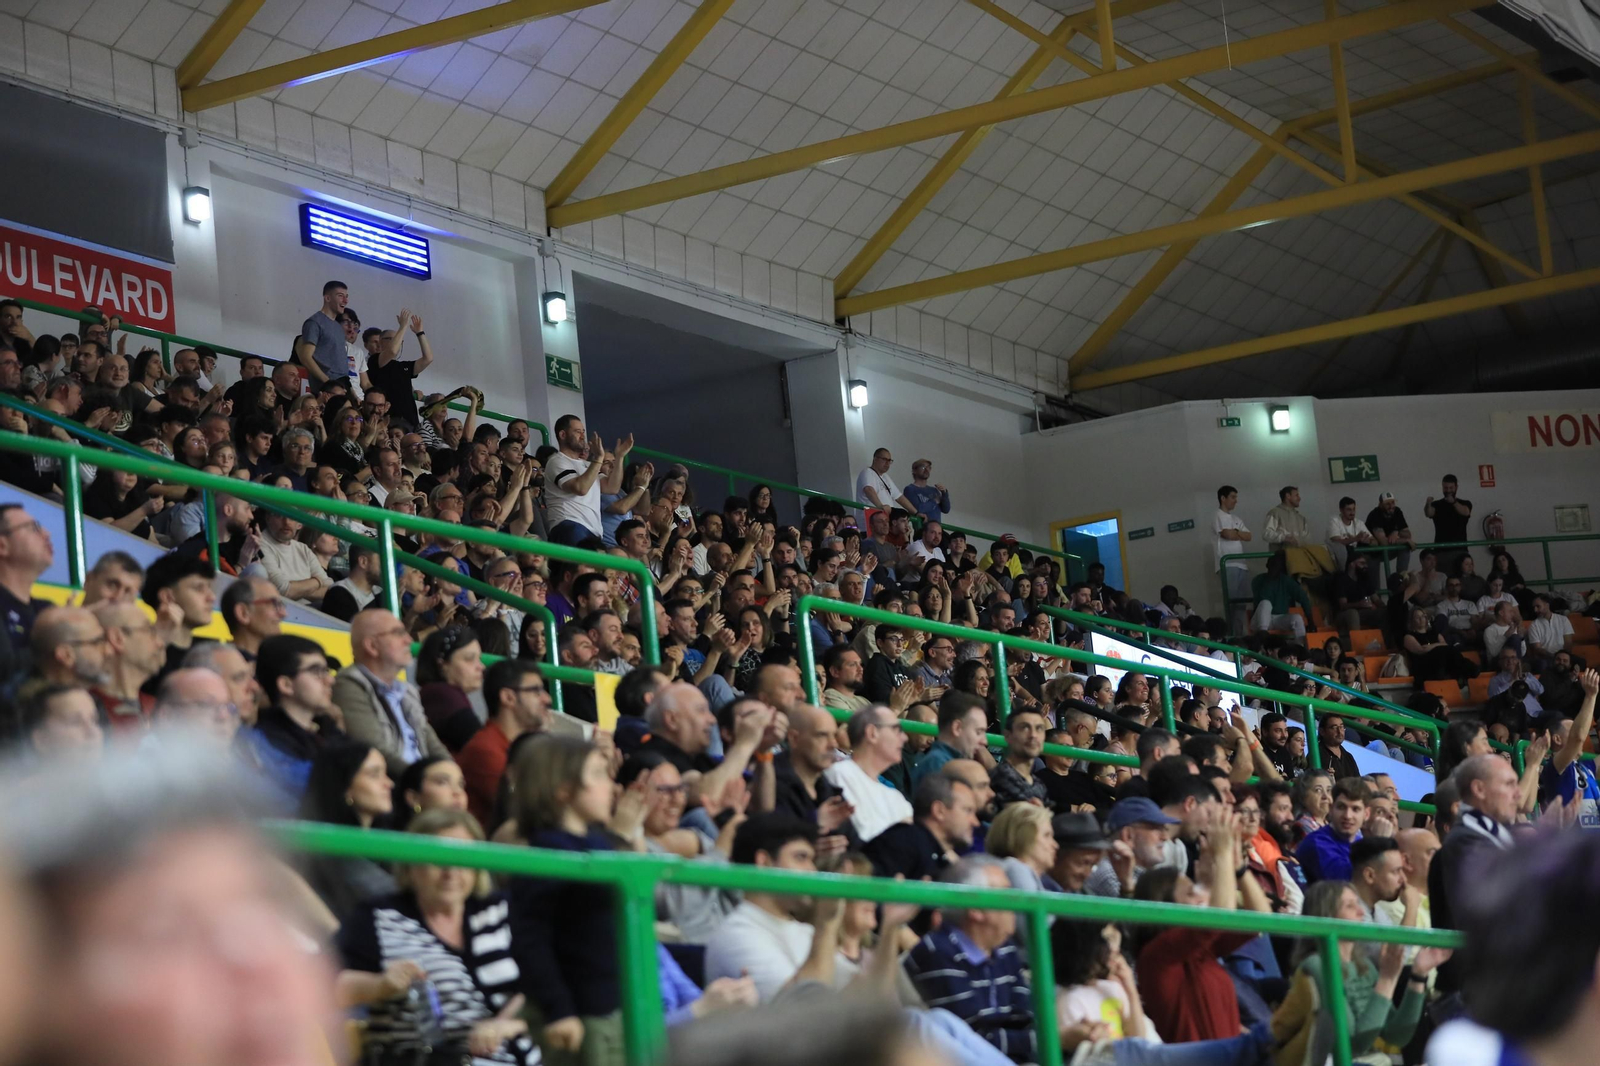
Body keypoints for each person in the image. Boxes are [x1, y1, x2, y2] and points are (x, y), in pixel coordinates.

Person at [336, 808, 537, 1065]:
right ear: (411, 866)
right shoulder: (380, 916)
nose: (450, 872)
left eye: (462, 859)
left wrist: (505, 1024)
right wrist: (379, 986)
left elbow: (544, 986)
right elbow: (325, 984)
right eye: (438, 858)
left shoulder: (500, 910)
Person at [507, 735, 633, 1064]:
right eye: (597, 774)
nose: (611, 785)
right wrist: (558, 1010)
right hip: (581, 1014)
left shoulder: (597, 843)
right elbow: (530, 939)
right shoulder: (547, 853)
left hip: (616, 1004)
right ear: (563, 790)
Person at [1289, 881, 1447, 1063]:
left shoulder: (1363, 966)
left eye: (1358, 903)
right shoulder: (1316, 965)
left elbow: (1396, 1036)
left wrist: (1419, 974)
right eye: (1350, 906)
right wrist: (1387, 979)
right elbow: (1353, 1045)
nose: (1361, 912)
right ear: (1327, 914)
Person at [901, 855, 1035, 1063]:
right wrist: (1054, 1040)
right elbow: (971, 1040)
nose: (1015, 903)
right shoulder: (937, 951)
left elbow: (1023, 1019)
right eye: (1006, 893)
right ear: (976, 909)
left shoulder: (1006, 950)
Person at [1430, 753, 1521, 994]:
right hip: (1475, 994)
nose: (1518, 793)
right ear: (1479, 789)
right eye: (1509, 784)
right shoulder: (1465, 843)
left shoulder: (1488, 837)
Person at [334, 608, 450, 776]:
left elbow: (433, 745)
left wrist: (452, 777)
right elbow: (375, 751)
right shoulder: (348, 686)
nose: (409, 640)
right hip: (394, 789)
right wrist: (426, 781)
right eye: (398, 633)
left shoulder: (407, 691)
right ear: (372, 646)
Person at [298, 740, 400, 916]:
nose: (389, 783)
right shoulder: (330, 852)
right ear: (346, 788)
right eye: (375, 774)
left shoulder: (389, 845)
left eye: (386, 773)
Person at [245, 634, 343, 806]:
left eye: (326, 671)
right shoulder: (263, 744)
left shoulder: (329, 732)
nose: (330, 680)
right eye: (316, 672)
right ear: (286, 685)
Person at [458, 659, 552, 829]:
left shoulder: (518, 746)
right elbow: (531, 809)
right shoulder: (485, 750)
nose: (547, 699)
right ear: (508, 697)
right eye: (536, 691)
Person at [773, 703, 860, 852]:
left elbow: (854, 848)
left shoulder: (832, 792)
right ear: (794, 738)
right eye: (822, 735)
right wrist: (813, 826)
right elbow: (767, 841)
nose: (833, 744)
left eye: (833, 735)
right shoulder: (770, 781)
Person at [824, 705, 913, 843]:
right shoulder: (838, 774)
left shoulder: (897, 798)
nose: (904, 737)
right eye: (897, 730)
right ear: (872, 733)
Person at [863, 773, 977, 881]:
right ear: (939, 811)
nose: (975, 822)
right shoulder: (901, 845)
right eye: (967, 811)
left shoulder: (941, 858)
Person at [1540, 669, 1600, 828]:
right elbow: (1578, 737)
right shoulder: (1555, 768)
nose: (1583, 731)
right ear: (1557, 739)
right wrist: (1590, 696)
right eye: (1572, 728)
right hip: (1573, 848)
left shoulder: (1586, 768)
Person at [415, 625, 486, 752]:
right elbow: (483, 750)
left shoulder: (438, 693)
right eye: (470, 659)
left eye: (479, 659)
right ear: (442, 665)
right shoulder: (443, 695)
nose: (481, 667)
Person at [544, 415, 608, 544]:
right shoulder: (557, 461)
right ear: (562, 434)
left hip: (593, 531)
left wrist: (621, 457)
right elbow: (580, 488)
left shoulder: (589, 466)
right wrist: (599, 458)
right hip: (570, 526)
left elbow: (612, 487)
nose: (583, 436)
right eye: (578, 431)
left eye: (583, 432)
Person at [911, 691, 991, 788]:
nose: (984, 741)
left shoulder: (942, 763)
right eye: (978, 732)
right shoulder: (939, 766)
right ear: (957, 728)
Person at [1296, 777, 1369, 883]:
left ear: (1366, 814)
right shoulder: (1316, 843)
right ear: (1331, 809)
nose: (1348, 816)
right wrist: (1381, 842)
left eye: (1355, 809)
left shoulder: (1360, 843)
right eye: (1341, 807)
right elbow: (1347, 883)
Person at [990, 707, 1049, 809]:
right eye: (1025, 728)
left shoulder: (1040, 784)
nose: (1033, 735)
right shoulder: (999, 778)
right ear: (1007, 735)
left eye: (1039, 728)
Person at [296, 280, 349, 386]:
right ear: (328, 298)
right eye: (340, 296)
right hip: (328, 387)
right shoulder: (314, 322)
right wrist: (327, 382)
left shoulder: (338, 327)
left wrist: (352, 392)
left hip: (343, 383)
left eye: (346, 296)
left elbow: (340, 363)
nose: (345, 300)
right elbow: (306, 357)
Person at [1213, 485, 1252, 630]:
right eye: (1233, 497)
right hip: (1227, 565)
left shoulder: (1236, 518)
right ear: (1223, 498)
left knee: (1241, 604)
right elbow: (1227, 535)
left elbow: (1249, 536)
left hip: (1241, 565)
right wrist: (1237, 533)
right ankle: (1232, 635)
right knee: (1232, 604)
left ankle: (1239, 635)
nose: (1236, 501)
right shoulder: (1218, 515)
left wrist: (1235, 532)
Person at [219, 576, 284, 662]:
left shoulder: (276, 666)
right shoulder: (221, 669)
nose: (283, 613)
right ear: (243, 613)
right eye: (274, 604)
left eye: (281, 605)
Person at [1424, 474, 1472, 572]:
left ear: (1456, 487)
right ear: (1442, 487)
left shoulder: (1465, 503)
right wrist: (1428, 503)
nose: (1448, 490)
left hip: (1460, 550)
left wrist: (1453, 502)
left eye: (1451, 488)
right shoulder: (1437, 504)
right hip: (1441, 551)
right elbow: (1429, 513)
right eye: (1446, 488)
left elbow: (1465, 512)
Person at [855, 447, 915, 515]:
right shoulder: (867, 472)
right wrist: (880, 506)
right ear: (875, 459)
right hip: (870, 519)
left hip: (884, 518)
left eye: (889, 460)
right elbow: (868, 489)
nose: (887, 463)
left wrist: (916, 513)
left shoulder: (886, 477)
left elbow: (899, 497)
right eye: (884, 459)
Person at [1365, 492, 1415, 573]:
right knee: (1374, 584)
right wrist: (1405, 540)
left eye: (1393, 503)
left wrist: (1396, 531)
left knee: (1405, 547)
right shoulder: (1375, 515)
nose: (1391, 506)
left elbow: (1408, 534)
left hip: (1388, 549)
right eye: (1387, 504)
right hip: (1372, 553)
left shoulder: (1397, 511)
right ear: (1380, 504)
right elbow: (1384, 542)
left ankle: (1402, 577)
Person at [901, 458, 950, 525]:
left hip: (937, 529)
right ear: (914, 470)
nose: (926, 470)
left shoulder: (934, 490)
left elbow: (946, 509)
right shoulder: (910, 489)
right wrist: (934, 501)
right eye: (923, 467)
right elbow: (917, 509)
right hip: (922, 530)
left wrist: (944, 493)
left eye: (928, 467)